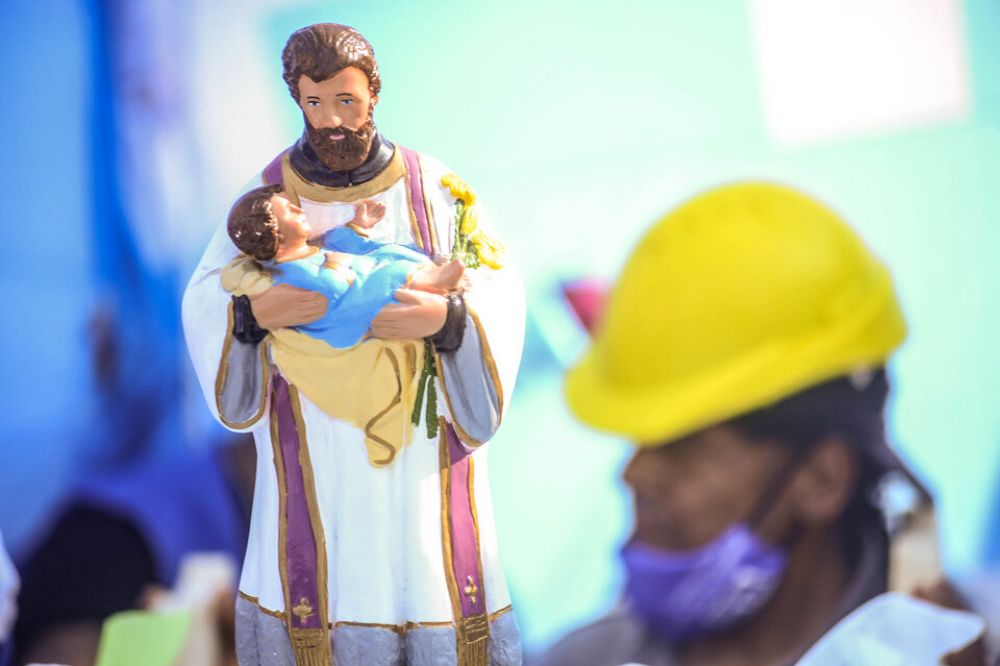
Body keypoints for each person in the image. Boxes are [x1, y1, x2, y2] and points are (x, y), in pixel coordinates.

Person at [182, 23, 524, 666]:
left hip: (422, 466)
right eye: (315, 103)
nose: (333, 120)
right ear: (298, 100)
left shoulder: (434, 190)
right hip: (312, 455)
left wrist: (449, 325)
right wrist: (252, 317)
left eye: (347, 101)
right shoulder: (266, 197)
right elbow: (208, 295)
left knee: (431, 577)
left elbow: (500, 287)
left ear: (373, 95)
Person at [538, 182, 985, 666]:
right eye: (639, 439)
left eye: (682, 445)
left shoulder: (961, 648)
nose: (634, 473)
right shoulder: (584, 658)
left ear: (821, 478)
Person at [225, 187, 466, 350]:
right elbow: (326, 291)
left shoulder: (311, 250)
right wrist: (334, 264)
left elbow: (341, 243)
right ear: (273, 230)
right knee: (389, 274)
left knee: (386, 255)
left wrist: (358, 226)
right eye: (289, 209)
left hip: (356, 292)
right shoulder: (289, 271)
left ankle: (429, 277)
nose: (300, 210)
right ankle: (431, 282)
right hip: (344, 317)